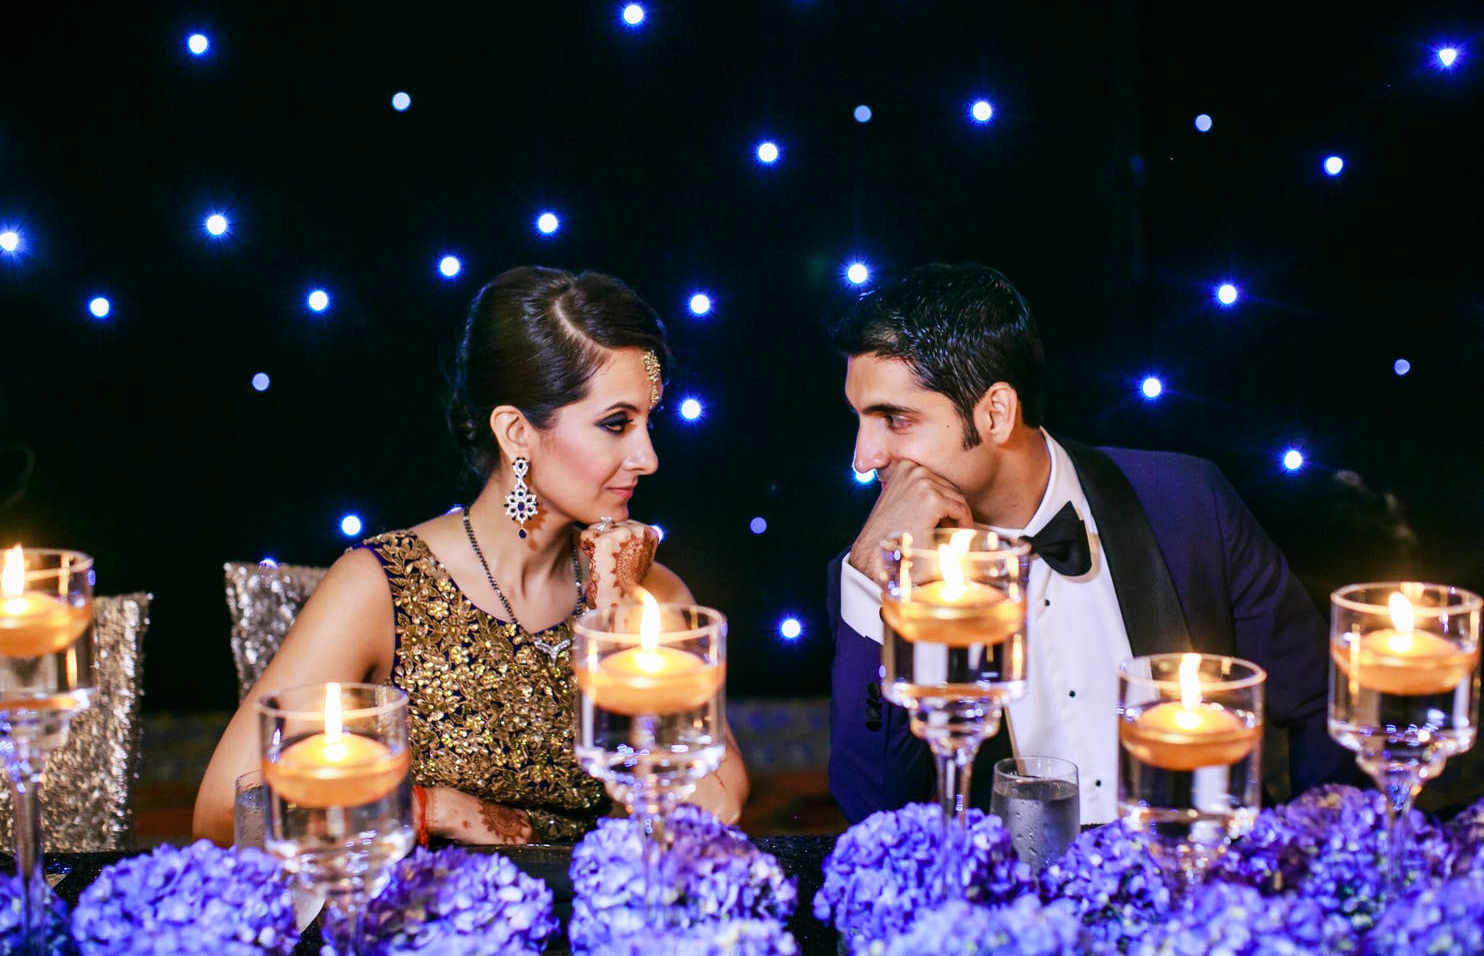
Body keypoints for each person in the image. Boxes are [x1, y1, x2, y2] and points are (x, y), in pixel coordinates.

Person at [195, 266, 749, 845]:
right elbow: (222, 814)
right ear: (516, 432)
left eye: (648, 423)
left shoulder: (650, 592)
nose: (648, 457)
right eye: (616, 424)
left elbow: (717, 810)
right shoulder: (386, 587)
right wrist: (425, 809)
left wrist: (616, 626)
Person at [826, 262, 1356, 825]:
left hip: (1191, 868)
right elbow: (873, 808)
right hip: (1007, 883)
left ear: (996, 413)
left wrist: (1321, 850)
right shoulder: (875, 573)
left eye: (895, 420)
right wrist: (871, 585)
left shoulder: (1186, 502)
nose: (864, 457)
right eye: (861, 420)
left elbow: (1325, 705)